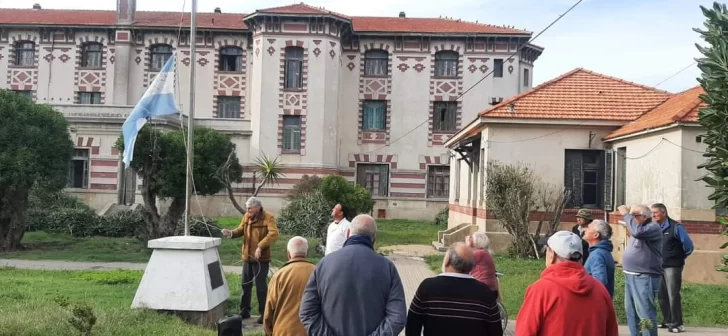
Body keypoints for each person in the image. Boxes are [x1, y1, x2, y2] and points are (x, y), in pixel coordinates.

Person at [300, 214, 406, 335]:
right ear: (374, 238)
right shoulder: (387, 267)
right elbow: (397, 317)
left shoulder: (324, 264)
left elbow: (307, 312)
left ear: (348, 233)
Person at [515, 231, 618, 336]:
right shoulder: (600, 290)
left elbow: (524, 332)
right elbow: (612, 331)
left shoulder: (541, 291)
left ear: (552, 254)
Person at [406, 242, 502, 336]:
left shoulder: (427, 287)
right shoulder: (485, 293)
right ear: (472, 266)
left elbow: (412, 327)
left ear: (447, 260)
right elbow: (496, 331)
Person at [221, 197, 280, 324]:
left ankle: (264, 314)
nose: (248, 211)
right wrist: (230, 233)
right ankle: (244, 311)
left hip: (261, 260)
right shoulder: (247, 216)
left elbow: (274, 234)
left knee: (261, 288)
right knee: (245, 285)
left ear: (258, 208)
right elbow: (241, 229)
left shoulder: (268, 217)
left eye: (250, 208)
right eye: (247, 208)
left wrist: (260, 246)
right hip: (247, 258)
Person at [618, 204, 664, 336]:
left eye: (634, 216)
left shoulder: (652, 227)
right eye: (631, 215)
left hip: (644, 276)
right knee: (631, 311)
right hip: (631, 274)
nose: (631, 218)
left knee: (645, 312)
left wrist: (626, 214)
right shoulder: (639, 227)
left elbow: (637, 233)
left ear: (645, 216)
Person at [652, 203, 694, 333]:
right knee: (662, 295)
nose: (653, 215)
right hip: (659, 266)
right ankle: (667, 321)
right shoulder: (654, 227)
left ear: (664, 213)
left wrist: (678, 257)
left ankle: (677, 323)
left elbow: (689, 246)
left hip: (673, 266)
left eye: (655, 213)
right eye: (652, 213)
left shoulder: (676, 227)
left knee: (673, 294)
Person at [263, 236, 316, 336]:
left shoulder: (279, 275)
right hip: (311, 331)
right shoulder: (318, 273)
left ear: (288, 254)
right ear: (307, 253)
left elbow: (268, 312)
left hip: (284, 331)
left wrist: (269, 332)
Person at [583, 219, 616, 297]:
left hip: (596, 303)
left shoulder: (597, 254)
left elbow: (600, 281)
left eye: (588, 228)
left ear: (596, 235)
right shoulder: (603, 252)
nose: (585, 230)